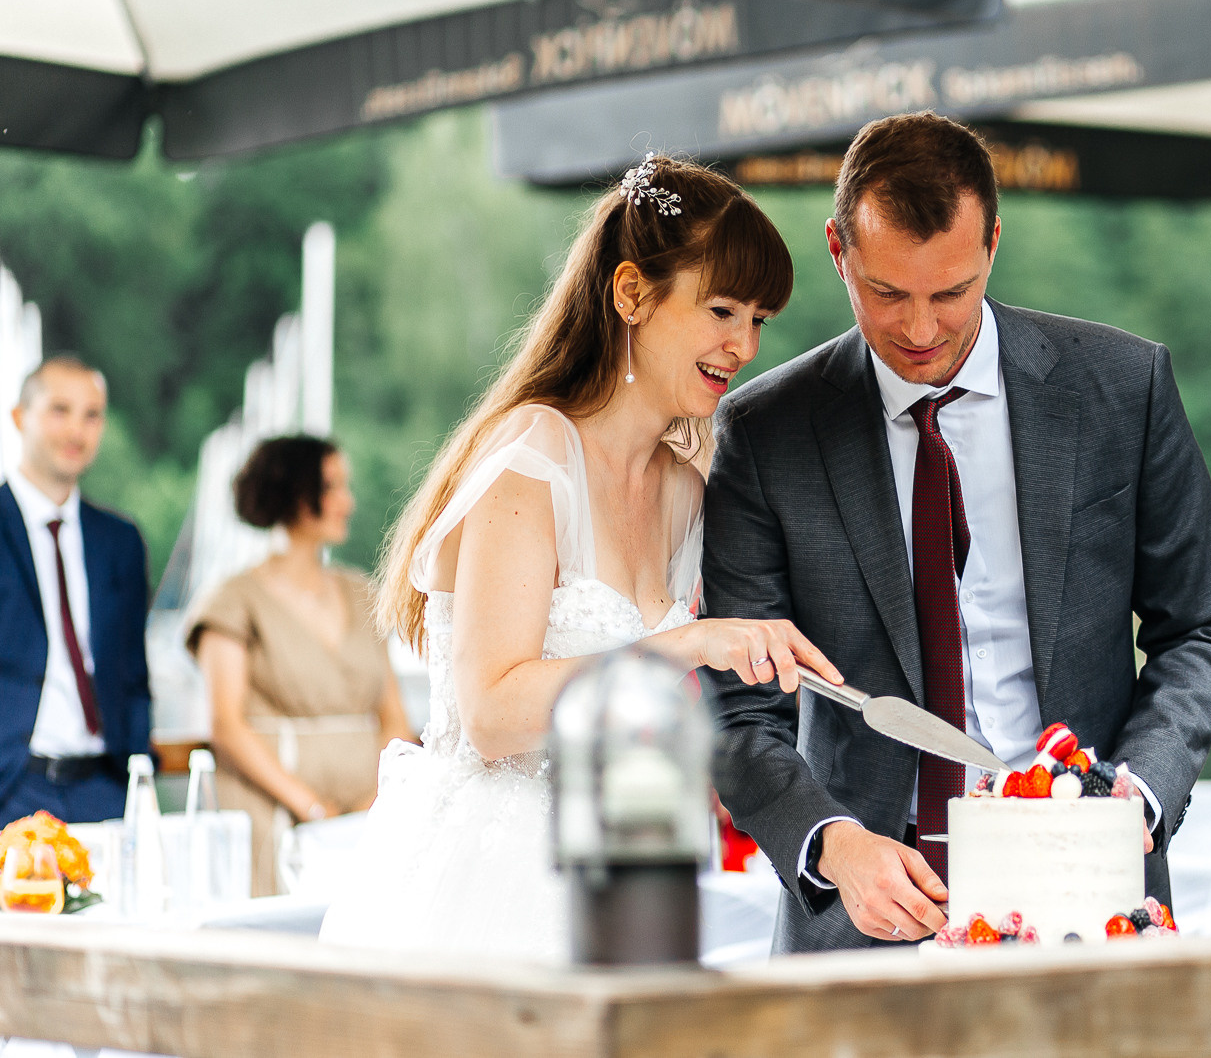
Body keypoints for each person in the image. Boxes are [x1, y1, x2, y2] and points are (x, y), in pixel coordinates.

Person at [702, 112, 1211, 954]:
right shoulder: (765, 432)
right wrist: (833, 847)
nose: (920, 330)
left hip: (1090, 890)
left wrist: (1139, 789)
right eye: (888, 294)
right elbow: (739, 708)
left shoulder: (1124, 387)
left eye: (950, 292)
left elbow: (1198, 627)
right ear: (839, 252)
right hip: (864, 911)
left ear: (993, 243)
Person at [318, 158, 839, 961]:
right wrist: (686, 643)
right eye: (723, 309)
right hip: (489, 888)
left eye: (760, 318)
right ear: (632, 293)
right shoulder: (534, 455)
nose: (745, 345)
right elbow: (491, 712)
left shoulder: (685, 488)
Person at [184, 435, 416, 895]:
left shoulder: (362, 592)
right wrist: (310, 807)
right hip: (274, 816)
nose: (347, 502)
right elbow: (225, 725)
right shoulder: (233, 601)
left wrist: (379, 801)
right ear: (293, 493)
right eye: (332, 487)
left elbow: (393, 714)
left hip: (367, 822)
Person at [0, 356, 151, 825]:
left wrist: (136, 770)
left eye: (92, 415)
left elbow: (132, 674)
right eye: (60, 410)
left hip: (105, 787)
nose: (77, 431)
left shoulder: (120, 541)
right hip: (13, 785)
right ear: (20, 418)